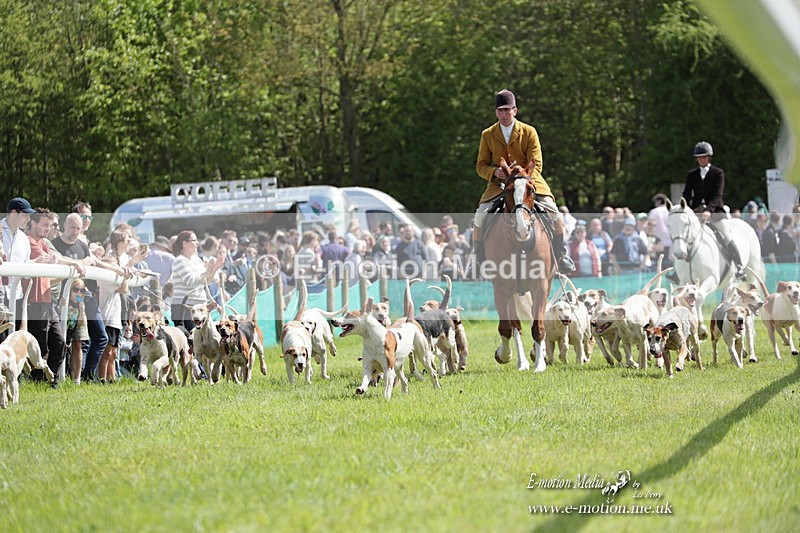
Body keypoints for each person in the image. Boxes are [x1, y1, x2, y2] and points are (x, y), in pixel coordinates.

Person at [474, 89, 574, 273]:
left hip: (528, 182)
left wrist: (520, 177)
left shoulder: (529, 132)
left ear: (515, 110)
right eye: (500, 110)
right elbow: (481, 166)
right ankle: (479, 258)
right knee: (480, 215)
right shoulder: (487, 134)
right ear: (496, 112)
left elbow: (537, 163)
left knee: (553, 211)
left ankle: (561, 255)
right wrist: (494, 172)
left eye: (507, 110)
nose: (503, 114)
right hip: (499, 186)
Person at [681, 141, 745, 279]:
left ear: (709, 157)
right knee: (684, 237)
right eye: (699, 157)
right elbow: (686, 194)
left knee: (726, 236)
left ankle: (739, 266)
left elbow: (717, 195)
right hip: (697, 213)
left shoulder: (718, 173)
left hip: (715, 212)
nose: (701, 160)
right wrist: (686, 209)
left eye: (704, 157)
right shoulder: (692, 174)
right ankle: (678, 270)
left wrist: (709, 210)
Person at [170, 230, 224, 332]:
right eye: (194, 240)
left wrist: (213, 270)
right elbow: (191, 281)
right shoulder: (179, 261)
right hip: (184, 308)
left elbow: (206, 282)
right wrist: (208, 271)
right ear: (185, 243)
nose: (197, 243)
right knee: (191, 338)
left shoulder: (197, 260)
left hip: (201, 306)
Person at [648, 193, 672, 260]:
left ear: (658, 201)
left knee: (659, 264)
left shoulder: (654, 212)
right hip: (671, 243)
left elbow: (650, 226)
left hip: (659, 243)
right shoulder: (671, 211)